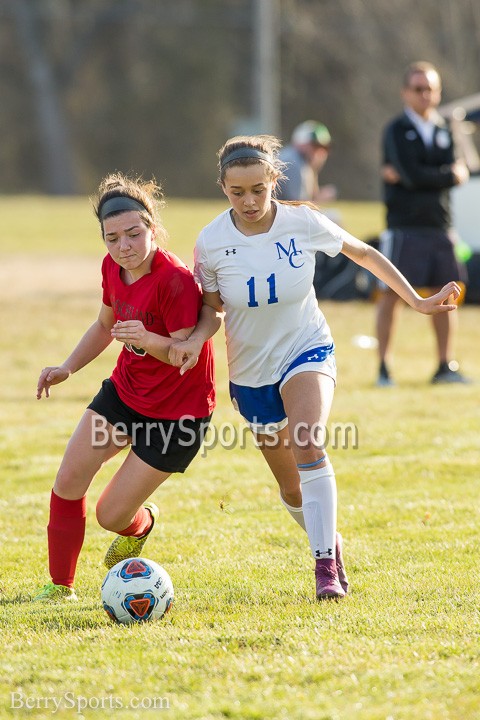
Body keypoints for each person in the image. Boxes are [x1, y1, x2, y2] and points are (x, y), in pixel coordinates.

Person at [167, 135, 461, 600]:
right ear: (223, 187)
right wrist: (192, 341)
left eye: (258, 190)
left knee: (308, 442)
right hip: (251, 374)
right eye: (237, 191)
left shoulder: (302, 222)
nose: (249, 201)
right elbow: (212, 310)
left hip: (307, 349)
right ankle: (331, 541)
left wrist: (418, 302)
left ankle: (324, 568)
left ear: (273, 182)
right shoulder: (211, 241)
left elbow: (364, 254)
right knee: (291, 488)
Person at [34, 172, 219, 602]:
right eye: (112, 238)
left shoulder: (175, 280)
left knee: (110, 515)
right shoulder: (113, 268)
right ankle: (60, 587)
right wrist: (68, 367)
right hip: (125, 394)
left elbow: (182, 354)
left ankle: (141, 525)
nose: (124, 247)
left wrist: (146, 339)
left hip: (177, 416)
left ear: (152, 228)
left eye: (134, 234)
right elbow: (105, 325)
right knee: (68, 480)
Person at [376, 60, 470, 386]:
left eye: (430, 88)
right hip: (405, 226)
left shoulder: (445, 129)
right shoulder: (396, 130)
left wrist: (420, 177)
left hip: (440, 225)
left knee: (447, 295)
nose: (425, 95)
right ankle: (384, 368)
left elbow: (456, 171)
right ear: (405, 92)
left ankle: (445, 365)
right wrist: (445, 176)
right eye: (418, 89)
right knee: (392, 294)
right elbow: (414, 176)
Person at [277, 120, 337, 204]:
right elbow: (297, 206)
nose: (320, 152)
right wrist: (321, 198)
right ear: (302, 142)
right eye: (315, 146)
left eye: (325, 148)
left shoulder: (296, 158)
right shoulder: (293, 163)